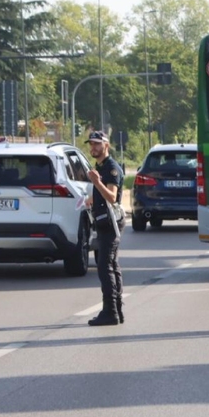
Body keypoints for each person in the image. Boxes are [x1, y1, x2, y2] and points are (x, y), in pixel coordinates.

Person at [86, 130, 125, 326]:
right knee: (112, 266)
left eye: (97, 144)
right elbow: (103, 196)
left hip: (111, 223)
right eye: (91, 144)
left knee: (105, 267)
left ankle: (110, 312)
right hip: (103, 221)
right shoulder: (100, 165)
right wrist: (91, 199)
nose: (93, 147)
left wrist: (97, 182)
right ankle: (117, 309)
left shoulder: (111, 168)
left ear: (106, 145)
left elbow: (112, 196)